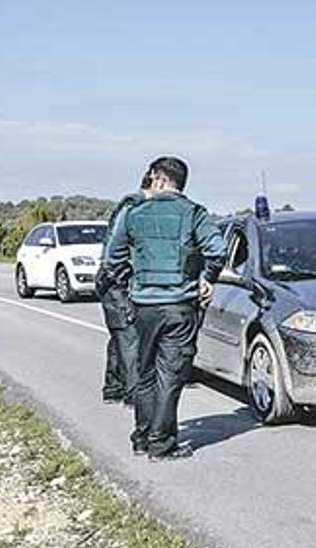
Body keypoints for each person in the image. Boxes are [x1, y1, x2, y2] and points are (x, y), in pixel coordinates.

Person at [104, 156, 227, 460]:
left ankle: (142, 437)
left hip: (143, 306)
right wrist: (206, 279)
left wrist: (131, 283)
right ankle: (161, 443)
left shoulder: (133, 212)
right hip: (179, 306)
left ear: (158, 179)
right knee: (170, 376)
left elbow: (111, 259)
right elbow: (218, 250)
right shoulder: (194, 213)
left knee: (144, 374)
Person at [94, 174, 151, 404]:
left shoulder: (130, 205)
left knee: (120, 336)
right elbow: (115, 257)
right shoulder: (135, 207)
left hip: (111, 282)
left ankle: (114, 387)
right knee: (129, 338)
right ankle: (134, 395)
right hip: (116, 283)